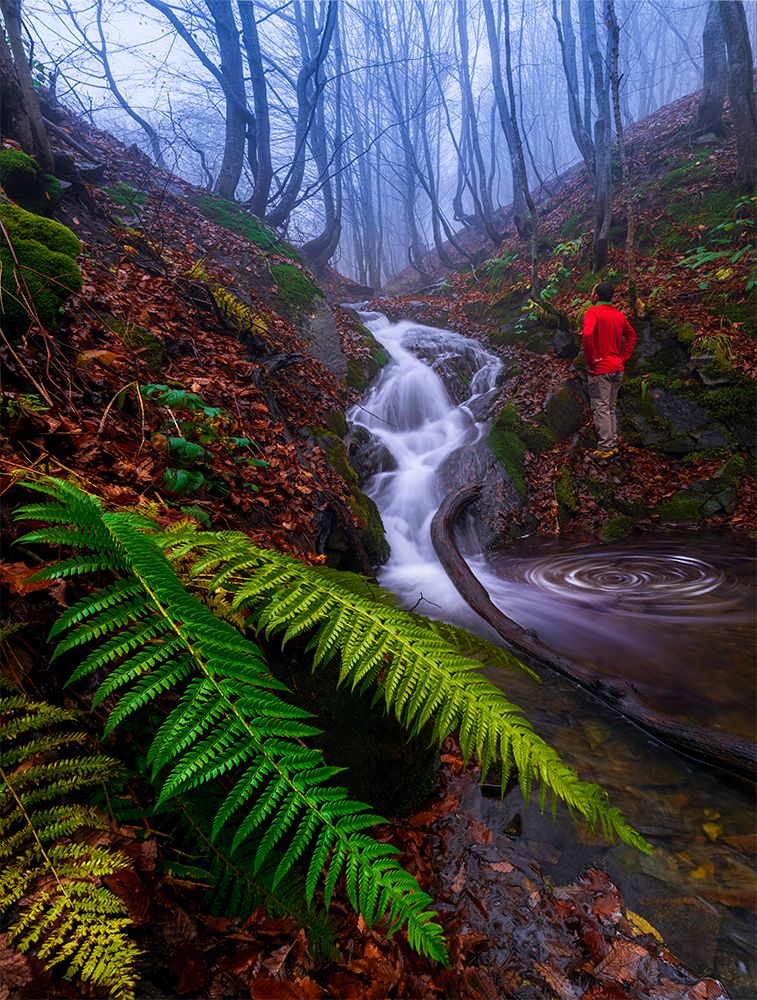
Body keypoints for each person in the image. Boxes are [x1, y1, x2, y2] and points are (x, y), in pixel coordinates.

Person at [582, 280, 636, 459]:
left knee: (601, 407)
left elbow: (588, 334)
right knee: (610, 408)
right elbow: (631, 336)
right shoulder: (619, 315)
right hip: (617, 368)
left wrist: (591, 360)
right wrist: (622, 358)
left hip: (601, 370)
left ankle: (605, 448)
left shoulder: (593, 312)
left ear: (596, 296)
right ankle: (612, 445)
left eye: (592, 292)